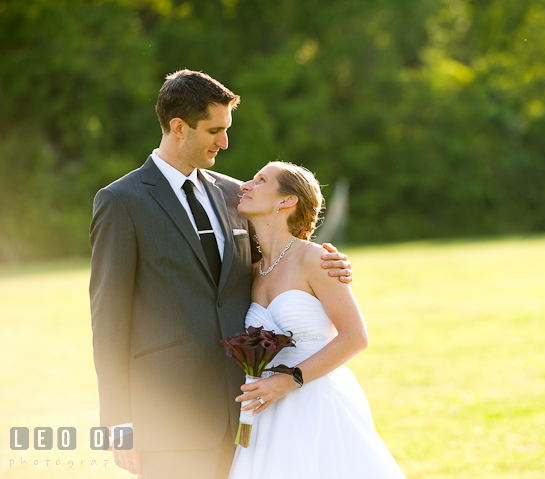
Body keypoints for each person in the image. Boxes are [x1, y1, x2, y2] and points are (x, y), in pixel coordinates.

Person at [89, 70, 352, 479]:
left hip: (248, 413)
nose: (225, 142)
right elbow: (108, 320)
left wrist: (331, 263)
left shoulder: (236, 195)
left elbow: (278, 263)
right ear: (178, 127)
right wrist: (119, 423)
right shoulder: (121, 202)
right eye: (215, 130)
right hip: (168, 416)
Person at [228, 161, 406, 479]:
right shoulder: (251, 272)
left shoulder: (317, 259)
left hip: (315, 403)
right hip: (265, 411)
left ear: (287, 200)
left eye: (261, 180)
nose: (245, 185)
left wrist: (290, 379)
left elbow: (355, 336)